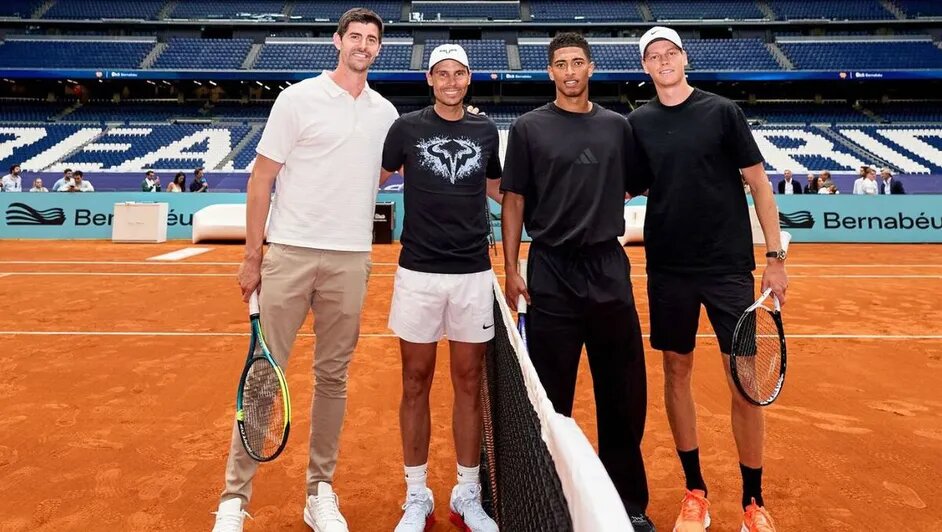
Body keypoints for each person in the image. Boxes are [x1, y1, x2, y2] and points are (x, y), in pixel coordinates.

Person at [212, 8, 399, 532]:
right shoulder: (296, 99)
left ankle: (320, 493)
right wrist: (253, 256)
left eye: (372, 39)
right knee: (264, 378)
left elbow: (381, 172)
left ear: (379, 48)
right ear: (338, 42)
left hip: (350, 259)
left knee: (333, 379)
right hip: (290, 254)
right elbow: (260, 180)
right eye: (355, 37)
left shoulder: (386, 114)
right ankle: (234, 498)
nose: (363, 45)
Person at [627, 26, 788, 532]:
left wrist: (775, 256)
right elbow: (621, 188)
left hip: (726, 269)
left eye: (669, 52)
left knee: (743, 382)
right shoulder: (638, 123)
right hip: (669, 269)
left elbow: (760, 186)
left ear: (683, 58)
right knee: (676, 374)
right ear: (646, 68)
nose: (663, 61)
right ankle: (695, 491)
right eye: (653, 56)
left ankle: (752, 502)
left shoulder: (723, 112)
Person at [501, 32, 654, 531]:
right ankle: (550, 503)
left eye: (577, 63)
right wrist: (511, 266)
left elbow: (634, 180)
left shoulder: (618, 127)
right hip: (550, 270)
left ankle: (628, 505)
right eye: (560, 64)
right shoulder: (528, 128)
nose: (569, 71)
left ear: (590, 68)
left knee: (622, 394)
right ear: (550, 72)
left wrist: (598, 207)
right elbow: (515, 200)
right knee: (550, 398)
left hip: (608, 268)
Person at [381, 43, 503, 532]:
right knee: (415, 381)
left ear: (468, 80)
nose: (451, 81)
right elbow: (375, 174)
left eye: (459, 74)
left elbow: (499, 188)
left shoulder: (486, 130)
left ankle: (467, 493)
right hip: (418, 272)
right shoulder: (406, 128)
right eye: (442, 74)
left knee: (469, 384)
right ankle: (417, 495)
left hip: (473, 272)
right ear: (430, 80)